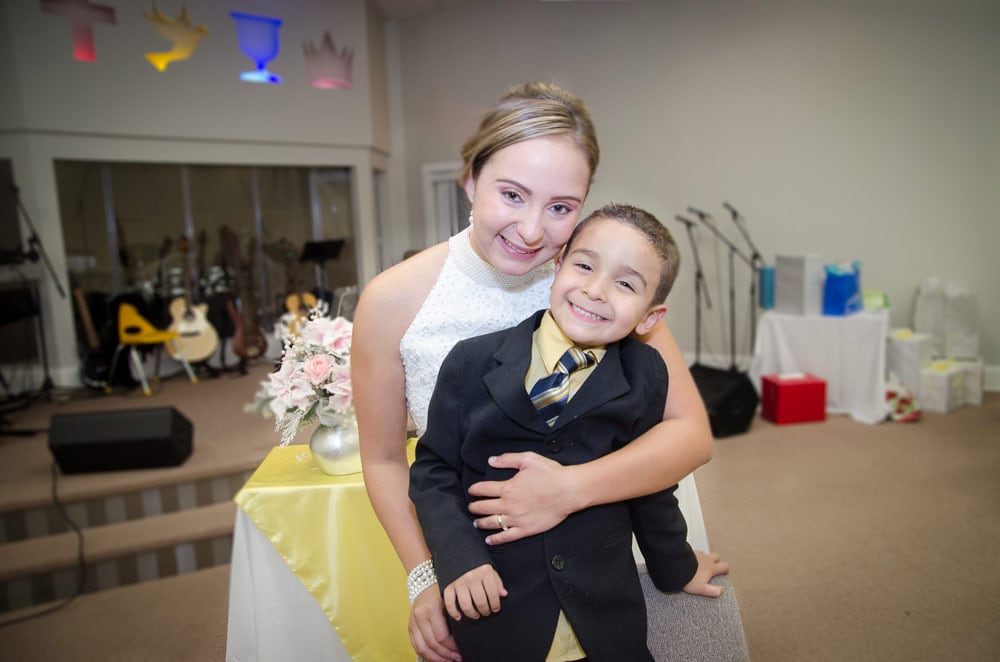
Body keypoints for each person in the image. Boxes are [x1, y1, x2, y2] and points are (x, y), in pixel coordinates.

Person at [352, 82, 717, 662]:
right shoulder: (392, 300)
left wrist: (569, 490)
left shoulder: (596, 286)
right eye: (512, 194)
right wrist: (427, 574)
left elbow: (688, 434)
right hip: (486, 573)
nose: (531, 231)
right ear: (470, 178)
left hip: (598, 558)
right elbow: (386, 460)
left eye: (560, 208)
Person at [409, 204, 727, 661]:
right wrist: (459, 561)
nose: (596, 291)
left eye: (625, 283)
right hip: (497, 610)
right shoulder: (470, 360)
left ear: (649, 317)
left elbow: (650, 484)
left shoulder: (645, 373)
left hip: (603, 617)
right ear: (557, 269)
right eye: (584, 265)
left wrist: (676, 566)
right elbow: (434, 472)